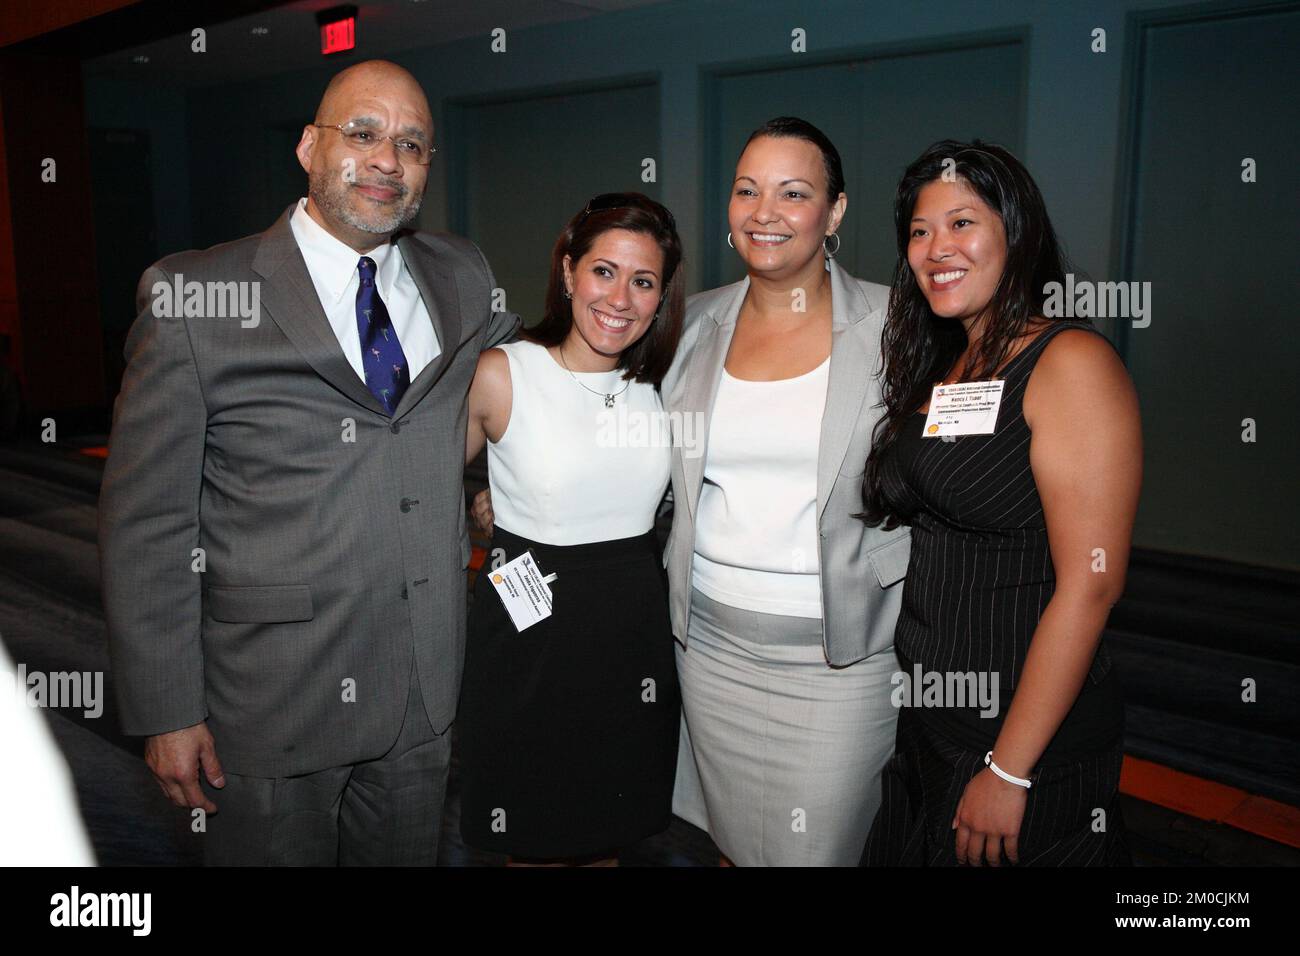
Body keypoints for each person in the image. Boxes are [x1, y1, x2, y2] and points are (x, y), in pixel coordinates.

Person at [98, 60, 519, 866]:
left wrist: (518, 484)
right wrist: (165, 710)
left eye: (411, 144)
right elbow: (147, 522)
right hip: (267, 703)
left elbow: (527, 389)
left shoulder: (463, 276)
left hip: (421, 690)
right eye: (362, 133)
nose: (387, 160)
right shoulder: (194, 297)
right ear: (307, 147)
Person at [859, 140, 1142, 867]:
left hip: (1021, 731)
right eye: (919, 231)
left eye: (961, 223)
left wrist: (1010, 767)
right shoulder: (948, 364)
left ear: (1017, 233)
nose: (934, 248)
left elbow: (1093, 583)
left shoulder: (1071, 364)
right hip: (931, 715)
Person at [662, 117, 910, 865]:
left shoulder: (898, 324)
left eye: (793, 193)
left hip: (840, 657)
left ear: (834, 213)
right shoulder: (694, 320)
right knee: (732, 844)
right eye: (747, 190)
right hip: (708, 647)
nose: (763, 212)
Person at [457, 193, 685, 865]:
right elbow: (421, 485)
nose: (620, 297)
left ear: (660, 296)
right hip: (531, 642)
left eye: (643, 281)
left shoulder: (666, 386)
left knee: (607, 835)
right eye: (603, 271)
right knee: (533, 837)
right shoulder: (505, 373)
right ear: (567, 273)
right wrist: (486, 503)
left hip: (631, 641)